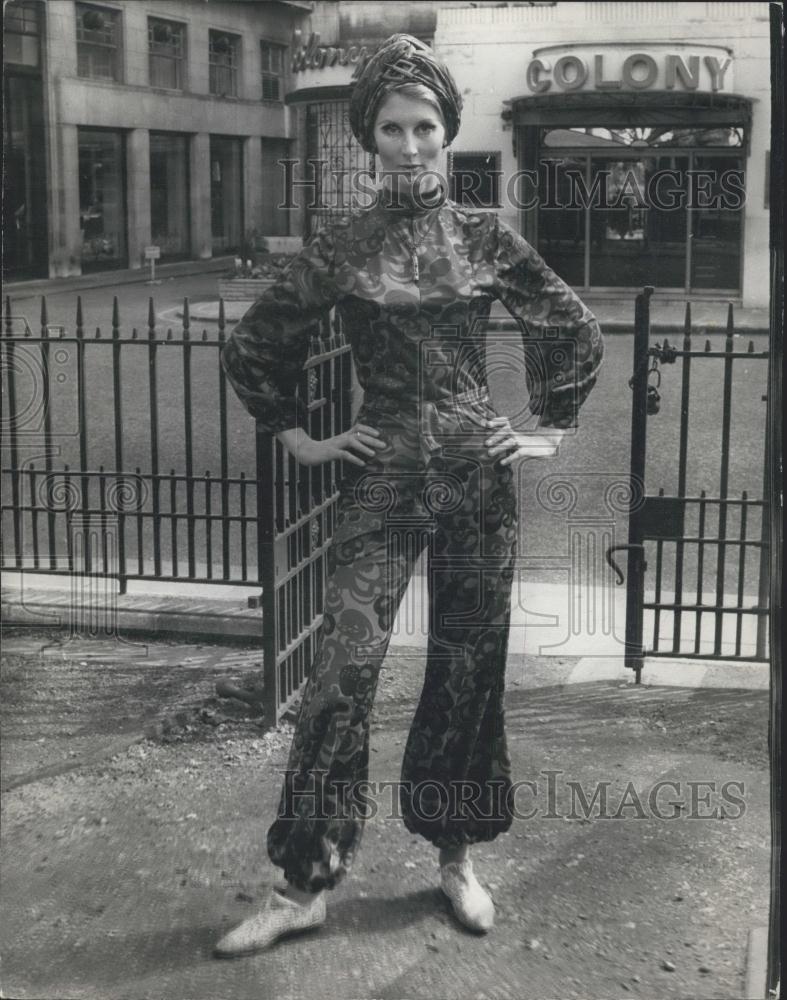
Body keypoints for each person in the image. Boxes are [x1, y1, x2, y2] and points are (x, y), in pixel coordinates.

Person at [214, 33, 604, 958]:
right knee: (340, 675)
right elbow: (254, 344)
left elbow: (573, 329)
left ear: (446, 132)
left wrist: (543, 425)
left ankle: (456, 857)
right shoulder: (342, 247)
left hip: (476, 480)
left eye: (424, 126)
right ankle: (302, 881)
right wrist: (302, 436)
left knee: (467, 673)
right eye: (391, 129)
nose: (409, 144)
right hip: (382, 479)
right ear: (369, 139)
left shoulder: (483, 238)